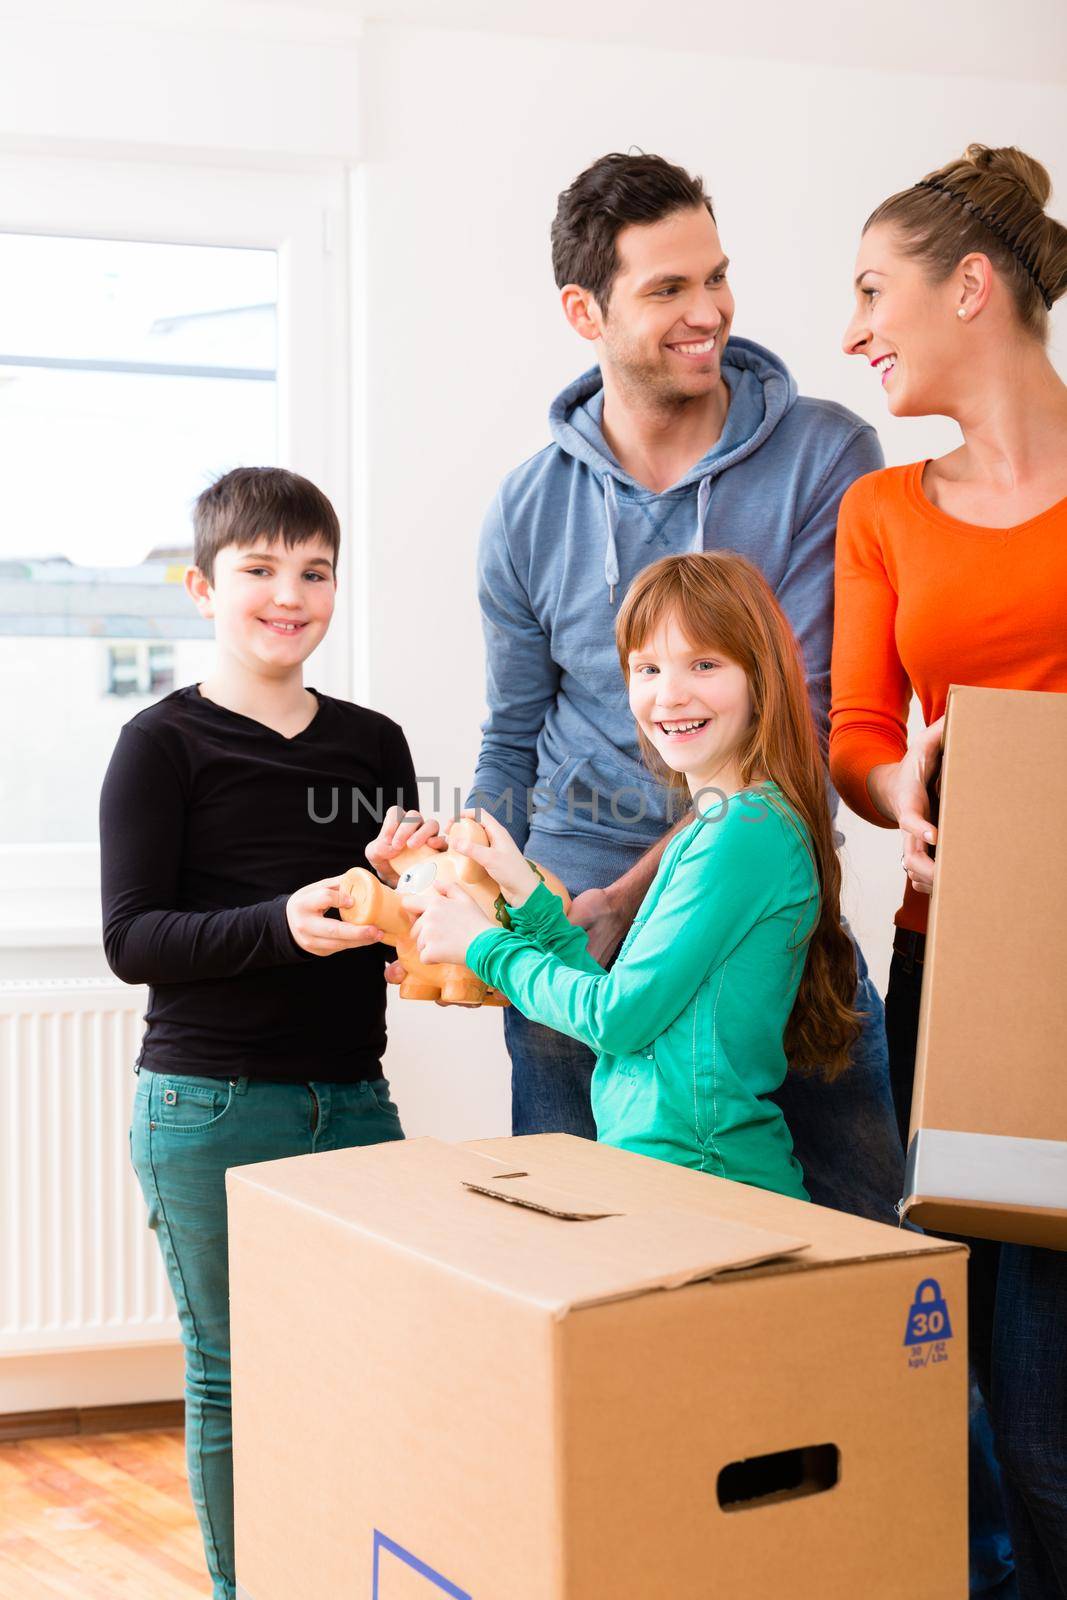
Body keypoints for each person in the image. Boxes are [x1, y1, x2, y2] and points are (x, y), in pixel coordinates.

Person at [464, 149, 903, 1227]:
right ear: (585, 310)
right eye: (666, 288)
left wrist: (630, 900)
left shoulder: (821, 458)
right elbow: (512, 736)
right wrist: (475, 884)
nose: (707, 310)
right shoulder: (528, 508)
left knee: (865, 1273)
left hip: (764, 925)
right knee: (585, 1279)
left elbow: (794, 720)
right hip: (573, 950)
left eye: (714, 276)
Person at [100, 467, 431, 1600]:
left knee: (370, 1364)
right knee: (232, 1376)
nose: (287, 595)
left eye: (313, 571)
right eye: (257, 571)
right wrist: (282, 924)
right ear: (202, 586)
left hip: (354, 1097)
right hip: (208, 1107)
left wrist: (402, 887)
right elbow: (134, 937)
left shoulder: (375, 742)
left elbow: (378, 912)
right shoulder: (160, 745)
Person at [833, 143, 1067, 1600]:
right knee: (1015, 1377)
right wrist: (893, 786)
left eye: (872, 291)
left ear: (967, 288)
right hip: (962, 976)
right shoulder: (882, 514)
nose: (854, 328)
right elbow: (857, 729)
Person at [411, 551, 859, 1199]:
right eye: (646, 668)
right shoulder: (726, 824)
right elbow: (633, 1011)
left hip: (705, 1183)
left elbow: (615, 1019)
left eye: (703, 664)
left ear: (760, 679)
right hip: (670, 1177)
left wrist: (481, 945)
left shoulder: (740, 835)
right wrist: (526, 895)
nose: (668, 694)